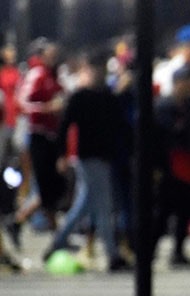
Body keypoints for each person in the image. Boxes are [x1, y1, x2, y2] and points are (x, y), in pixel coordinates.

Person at [45, 54, 130, 272]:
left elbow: (120, 126)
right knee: (103, 206)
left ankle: (58, 242)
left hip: (101, 157)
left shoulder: (107, 96)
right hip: (89, 157)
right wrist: (62, 154)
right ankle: (112, 255)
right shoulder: (81, 96)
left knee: (86, 203)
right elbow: (64, 126)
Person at [154, 64, 190, 267]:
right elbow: (160, 137)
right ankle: (151, 250)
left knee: (185, 211)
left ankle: (178, 251)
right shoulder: (164, 107)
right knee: (163, 212)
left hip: (189, 166)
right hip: (170, 166)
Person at [16, 39, 64, 232]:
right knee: (45, 184)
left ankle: (52, 228)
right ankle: (21, 219)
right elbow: (22, 103)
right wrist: (46, 109)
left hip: (51, 135)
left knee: (53, 185)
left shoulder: (52, 75)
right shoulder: (37, 74)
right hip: (38, 135)